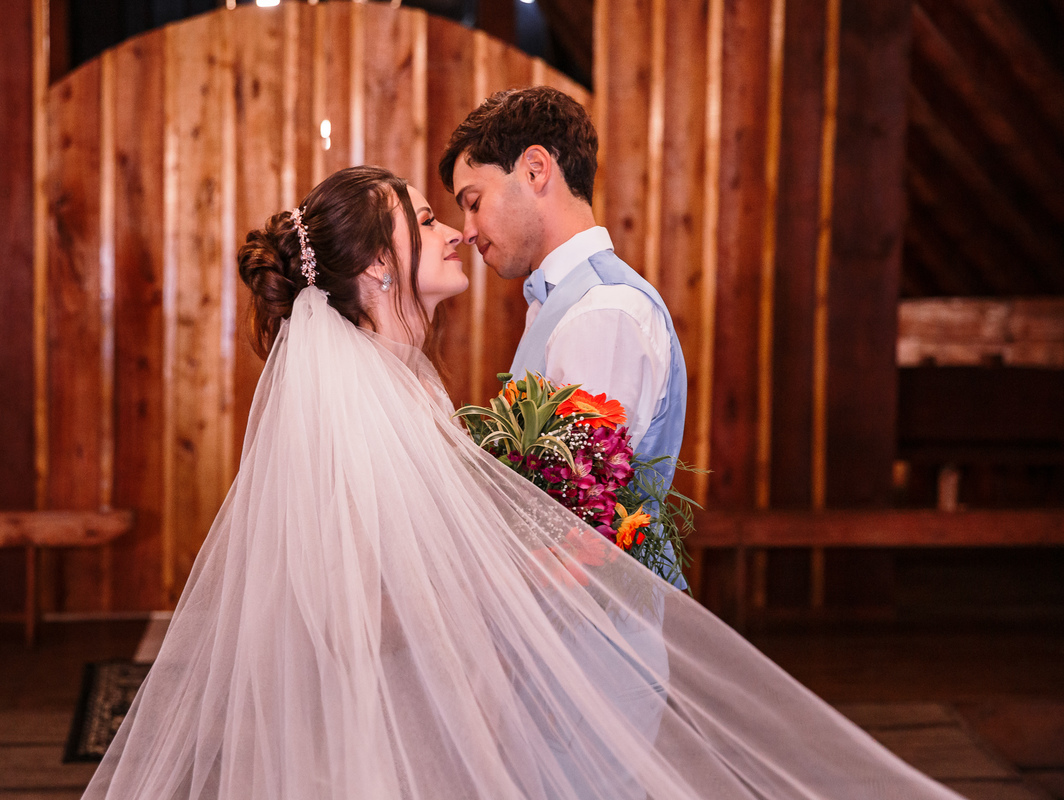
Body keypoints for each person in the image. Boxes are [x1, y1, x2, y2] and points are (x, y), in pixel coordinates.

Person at [80, 165, 963, 800]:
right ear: (379, 267)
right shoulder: (360, 408)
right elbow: (346, 610)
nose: (453, 231)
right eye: (428, 218)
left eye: (454, 209)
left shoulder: (406, 388)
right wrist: (496, 577)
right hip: (396, 737)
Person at [440, 86, 687, 589]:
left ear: (535, 169)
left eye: (474, 202)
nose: (467, 230)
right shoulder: (560, 301)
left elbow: (577, 522)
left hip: (596, 623)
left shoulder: (602, 312)